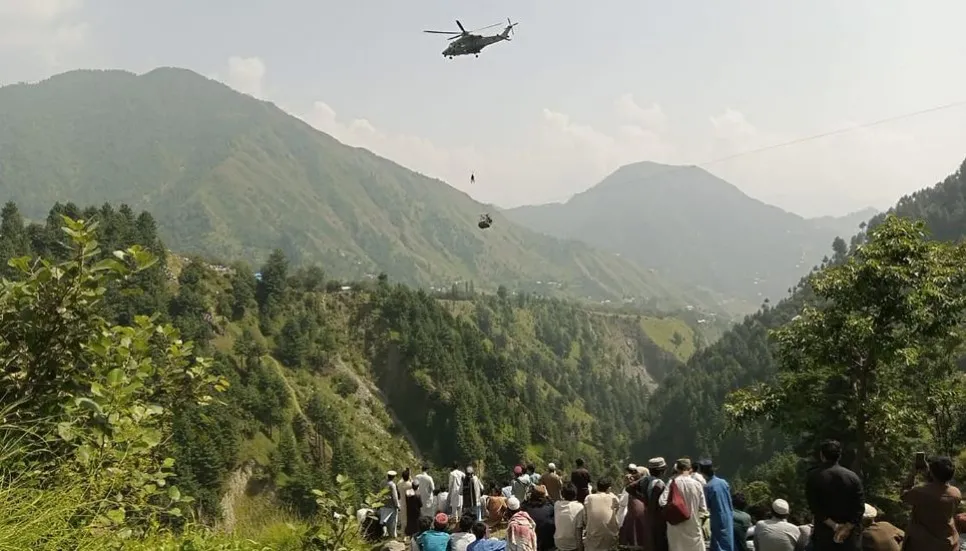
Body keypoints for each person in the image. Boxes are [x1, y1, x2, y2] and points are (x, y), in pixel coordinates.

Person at [805, 440, 864, 551]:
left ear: (822, 455)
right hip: (849, 539)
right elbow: (859, 508)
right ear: (839, 455)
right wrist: (847, 527)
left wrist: (834, 526)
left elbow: (815, 508)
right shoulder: (853, 477)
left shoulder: (813, 477)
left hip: (824, 538)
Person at [901, 454, 963, 551]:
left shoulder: (920, 492)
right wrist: (931, 473)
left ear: (932, 473)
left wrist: (913, 473)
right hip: (948, 544)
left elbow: (904, 495)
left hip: (922, 545)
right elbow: (940, 486)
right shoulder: (956, 493)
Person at [659, 458, 708, 551]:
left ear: (677, 469)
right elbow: (703, 507)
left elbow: (662, 502)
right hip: (693, 525)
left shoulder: (672, 482)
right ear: (690, 469)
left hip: (676, 525)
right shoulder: (697, 484)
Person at [698, 459, 736, 551]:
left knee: (719, 543)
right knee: (728, 540)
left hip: (717, 518)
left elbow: (705, 506)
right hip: (729, 515)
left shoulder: (708, 487)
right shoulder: (723, 482)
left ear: (702, 473)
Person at [579, 477, 620, 551]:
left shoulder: (589, 498)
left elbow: (585, 519)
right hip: (610, 541)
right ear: (609, 488)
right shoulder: (613, 497)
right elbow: (617, 508)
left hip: (593, 539)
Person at [643, 457, 670, 551]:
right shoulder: (659, 484)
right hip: (658, 519)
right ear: (662, 471)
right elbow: (657, 503)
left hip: (649, 518)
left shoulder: (646, 481)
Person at [619, 466, 649, 547]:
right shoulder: (631, 488)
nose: (632, 475)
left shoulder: (647, 487)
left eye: (635, 473)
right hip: (632, 519)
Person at [523, 485, 555, 551]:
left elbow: (521, 505)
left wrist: (525, 498)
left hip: (532, 543)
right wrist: (547, 496)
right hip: (549, 543)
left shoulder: (526, 508)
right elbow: (554, 505)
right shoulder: (549, 507)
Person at [554, 483, 585, 551]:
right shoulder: (579, 507)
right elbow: (578, 531)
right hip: (572, 544)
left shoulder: (557, 505)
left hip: (559, 543)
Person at [385, 470, 401, 539]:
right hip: (391, 506)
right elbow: (395, 496)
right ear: (393, 477)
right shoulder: (392, 485)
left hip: (383, 504)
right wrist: (397, 505)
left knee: (385, 521)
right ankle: (393, 536)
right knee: (393, 521)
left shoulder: (382, 482)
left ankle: (386, 534)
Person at [399, 468, 414, 535]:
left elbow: (401, 480)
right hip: (409, 504)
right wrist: (410, 476)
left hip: (402, 502)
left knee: (403, 519)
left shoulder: (399, 483)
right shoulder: (409, 485)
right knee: (409, 519)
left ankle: (403, 534)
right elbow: (415, 486)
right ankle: (408, 533)